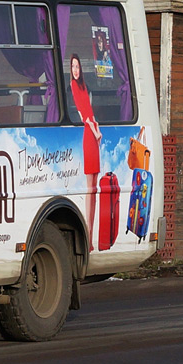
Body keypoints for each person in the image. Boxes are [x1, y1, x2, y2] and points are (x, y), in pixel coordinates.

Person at [69, 54, 102, 248]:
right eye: (73, 66)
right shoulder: (74, 86)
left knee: (95, 186)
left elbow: (90, 111)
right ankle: (88, 237)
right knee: (90, 186)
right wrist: (94, 131)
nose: (75, 69)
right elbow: (83, 114)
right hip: (89, 134)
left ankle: (91, 236)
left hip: (93, 132)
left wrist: (98, 130)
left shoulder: (83, 86)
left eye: (77, 66)